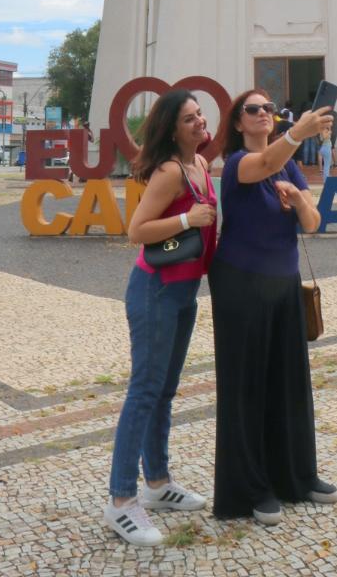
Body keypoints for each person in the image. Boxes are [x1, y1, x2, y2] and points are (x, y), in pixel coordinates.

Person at [209, 90, 337, 525]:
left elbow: (313, 222)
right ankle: (250, 489)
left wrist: (299, 199)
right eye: (253, 110)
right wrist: (298, 131)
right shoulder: (237, 164)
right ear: (239, 123)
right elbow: (260, 166)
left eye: (268, 108)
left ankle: (296, 477)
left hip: (283, 283)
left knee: (290, 381)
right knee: (246, 386)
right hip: (241, 284)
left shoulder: (287, 164)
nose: (263, 114)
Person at [104, 89, 218, 547]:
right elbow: (137, 230)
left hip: (184, 290)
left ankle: (157, 483)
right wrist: (188, 220)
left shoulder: (201, 165)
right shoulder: (171, 171)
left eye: (200, 114)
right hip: (155, 289)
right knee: (145, 391)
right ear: (172, 128)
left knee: (165, 390)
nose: (199, 122)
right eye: (189, 118)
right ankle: (119, 502)